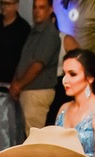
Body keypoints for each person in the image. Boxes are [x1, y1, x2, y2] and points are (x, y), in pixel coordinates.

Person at [10, 0, 60, 135]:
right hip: (27, 90)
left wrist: (18, 85)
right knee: (25, 136)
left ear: (50, 9)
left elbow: (38, 66)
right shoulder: (35, 30)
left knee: (34, 138)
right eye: (35, 7)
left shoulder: (49, 33)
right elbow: (24, 61)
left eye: (41, 7)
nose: (37, 11)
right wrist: (16, 82)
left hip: (37, 92)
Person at [0, 0, 29, 82]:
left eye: (7, 4)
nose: (3, 6)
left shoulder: (23, 27)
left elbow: (24, 58)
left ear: (16, 6)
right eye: (2, 3)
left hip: (10, 78)